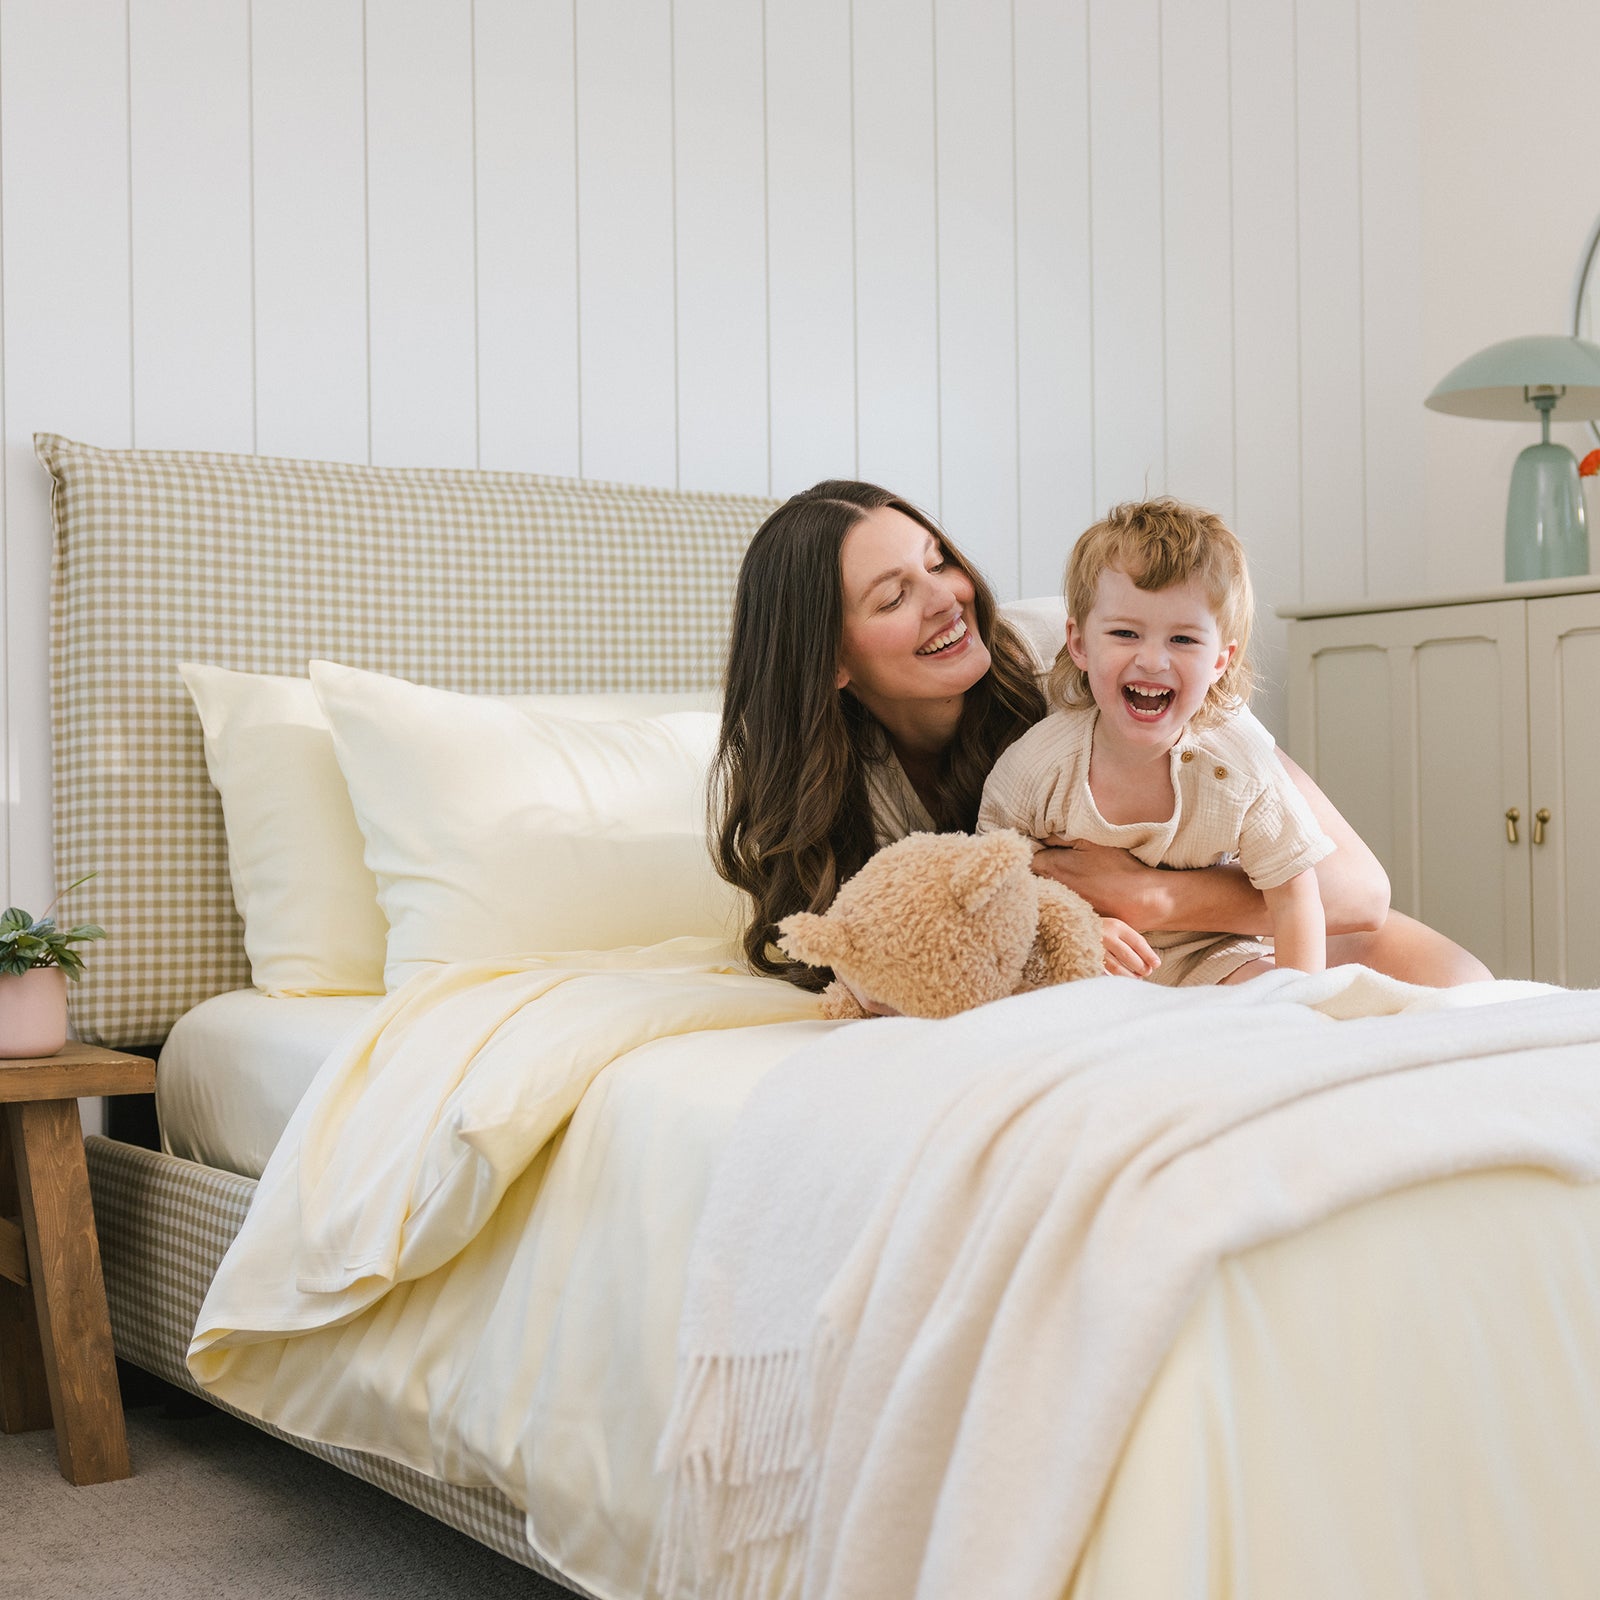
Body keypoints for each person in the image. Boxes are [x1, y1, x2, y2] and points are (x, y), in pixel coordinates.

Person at [711, 479, 1491, 992]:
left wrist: (1156, 894)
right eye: (892, 597)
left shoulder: (1111, 646)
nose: (947, 599)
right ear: (831, 662)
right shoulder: (851, 801)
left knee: (1468, 990)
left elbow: (1359, 891)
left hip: (1253, 931)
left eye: (939, 561)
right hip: (1126, 976)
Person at [978, 498, 1330, 984]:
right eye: (1125, 633)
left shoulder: (1241, 765)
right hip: (1081, 956)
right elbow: (992, 884)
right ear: (1079, 644)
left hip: (1211, 953)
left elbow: (1294, 896)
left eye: (1183, 640)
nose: (1152, 661)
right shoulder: (1037, 767)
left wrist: (1299, 1006)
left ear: (1220, 661)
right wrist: (1075, 925)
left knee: (1263, 996)